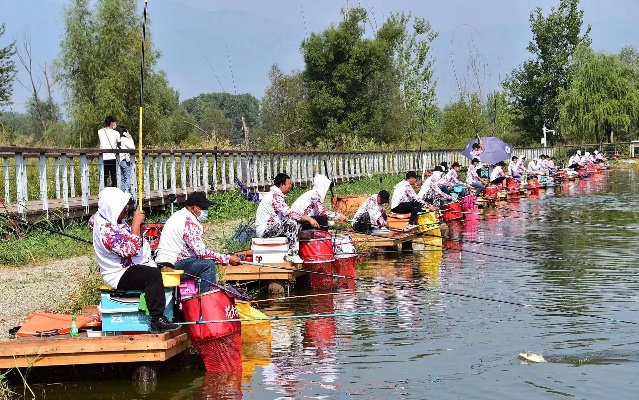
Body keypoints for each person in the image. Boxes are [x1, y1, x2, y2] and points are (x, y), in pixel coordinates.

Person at [89, 187, 178, 332]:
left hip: (128, 267)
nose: (127, 209)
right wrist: (136, 224)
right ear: (113, 208)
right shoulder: (106, 232)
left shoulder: (103, 217)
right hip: (117, 274)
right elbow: (131, 249)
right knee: (152, 276)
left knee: (164, 267)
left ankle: (172, 312)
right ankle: (157, 320)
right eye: (124, 207)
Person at [155, 191, 242, 293]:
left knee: (205, 262)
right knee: (208, 265)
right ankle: (206, 300)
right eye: (203, 208)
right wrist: (227, 259)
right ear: (192, 208)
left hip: (164, 262)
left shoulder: (180, 215)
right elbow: (202, 253)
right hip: (172, 265)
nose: (206, 211)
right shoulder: (189, 221)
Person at [255, 173, 318, 263]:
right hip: (265, 230)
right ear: (282, 185)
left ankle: (301, 251)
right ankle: (292, 254)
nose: (290, 186)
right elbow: (289, 213)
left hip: (272, 227)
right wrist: (308, 218)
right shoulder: (274, 196)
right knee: (291, 224)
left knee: (297, 224)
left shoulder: (277, 196)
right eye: (289, 184)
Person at [98, 116, 121, 188]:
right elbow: (119, 143)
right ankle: (114, 190)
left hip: (103, 157)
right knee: (114, 176)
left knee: (104, 176)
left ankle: (103, 190)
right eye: (114, 123)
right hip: (112, 157)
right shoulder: (116, 133)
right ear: (111, 123)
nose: (115, 124)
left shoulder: (100, 131)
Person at [117, 126, 135, 193]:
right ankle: (127, 191)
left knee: (121, 177)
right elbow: (132, 147)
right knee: (127, 176)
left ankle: (122, 191)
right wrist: (130, 138)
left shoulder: (117, 140)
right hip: (124, 159)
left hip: (119, 160)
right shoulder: (123, 139)